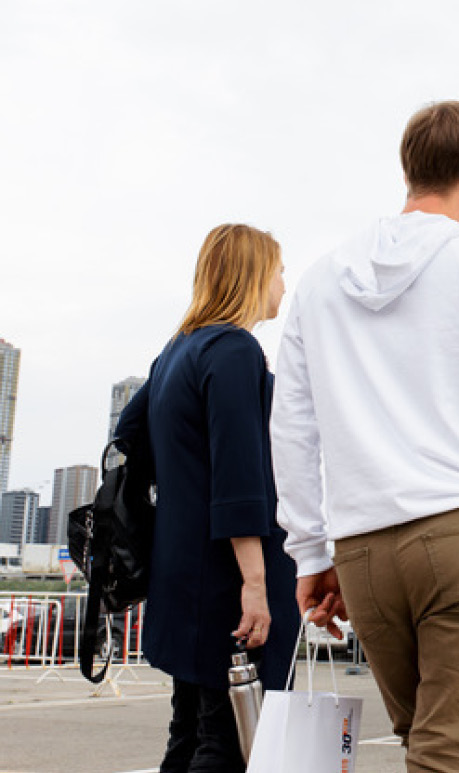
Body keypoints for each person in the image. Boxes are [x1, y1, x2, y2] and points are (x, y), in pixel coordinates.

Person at [271, 101, 459, 772]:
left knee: (425, 739)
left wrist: (312, 551)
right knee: (446, 749)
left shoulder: (319, 282)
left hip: (364, 551)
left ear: (409, 172)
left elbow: (291, 426)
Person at [115, 224, 299, 773]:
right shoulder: (235, 351)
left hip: (180, 571)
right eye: (279, 270)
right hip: (227, 577)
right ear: (254, 275)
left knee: (189, 731)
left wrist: (183, 479)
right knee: (229, 742)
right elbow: (240, 480)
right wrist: (256, 585)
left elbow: (129, 433)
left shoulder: (176, 352)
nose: (284, 285)